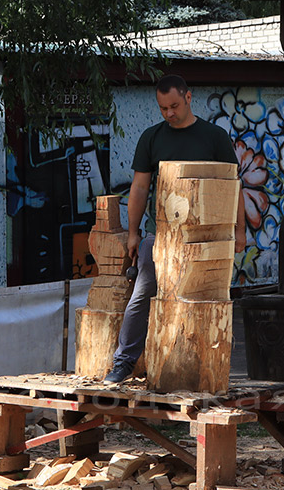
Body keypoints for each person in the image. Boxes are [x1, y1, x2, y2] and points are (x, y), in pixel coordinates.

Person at [104, 74, 242, 383]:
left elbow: (233, 187)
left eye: (174, 106)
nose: (169, 113)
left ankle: (197, 370)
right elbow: (139, 189)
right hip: (160, 237)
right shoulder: (152, 137)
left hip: (205, 240)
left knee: (201, 302)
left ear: (189, 97)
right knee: (142, 294)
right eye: (163, 108)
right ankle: (123, 363)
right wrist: (134, 233)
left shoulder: (215, 137)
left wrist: (239, 231)